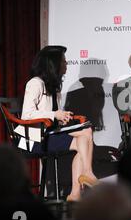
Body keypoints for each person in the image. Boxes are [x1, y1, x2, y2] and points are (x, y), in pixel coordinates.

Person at [17, 45, 97, 202]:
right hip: (32, 139)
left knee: (86, 131)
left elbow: (52, 115)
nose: (66, 64)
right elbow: (26, 115)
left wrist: (62, 118)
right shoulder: (35, 83)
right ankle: (81, 183)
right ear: (53, 64)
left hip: (48, 133)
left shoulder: (53, 86)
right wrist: (54, 114)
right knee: (83, 142)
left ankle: (76, 191)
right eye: (64, 61)